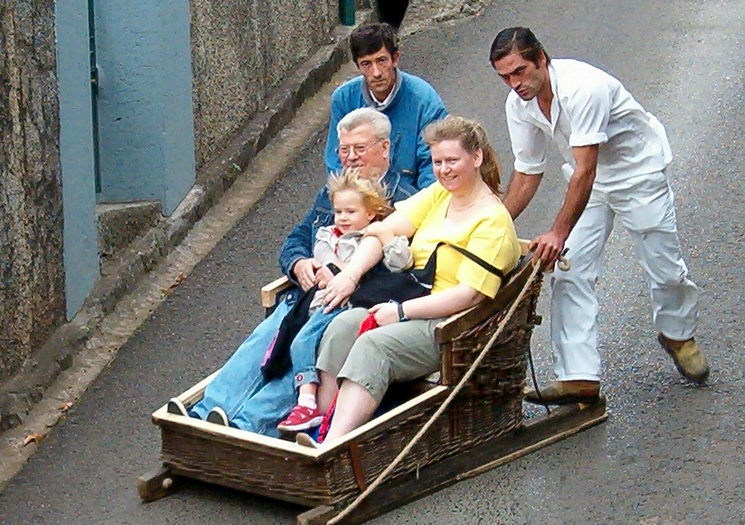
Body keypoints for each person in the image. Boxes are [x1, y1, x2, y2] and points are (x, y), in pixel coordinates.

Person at [489, 27, 708, 405]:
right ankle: (578, 376)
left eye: (520, 71)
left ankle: (677, 332)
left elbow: (586, 168)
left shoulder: (582, 89)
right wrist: (492, 224)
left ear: (541, 58)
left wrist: (557, 231)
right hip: (586, 181)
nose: (515, 84)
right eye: (505, 77)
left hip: (637, 172)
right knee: (569, 268)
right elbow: (527, 171)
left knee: (664, 267)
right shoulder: (518, 104)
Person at [166, 108, 417, 435]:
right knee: (260, 343)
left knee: (301, 356)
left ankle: (246, 426)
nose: (351, 158)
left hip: (347, 308)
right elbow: (296, 239)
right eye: (344, 149)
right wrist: (300, 263)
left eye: (360, 148)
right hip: (304, 296)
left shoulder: (406, 202)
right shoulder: (334, 192)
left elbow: (403, 272)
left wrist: (342, 274)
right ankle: (204, 414)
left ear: (384, 148)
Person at [296, 116, 521, 446]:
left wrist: (400, 312)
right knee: (343, 325)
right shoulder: (439, 195)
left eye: (452, 161)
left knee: (374, 345)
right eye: (437, 161)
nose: (444, 170)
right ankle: (320, 424)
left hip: (449, 323)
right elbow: (381, 229)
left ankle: (334, 445)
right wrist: (350, 275)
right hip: (411, 297)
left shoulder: (492, 220)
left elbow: (469, 295)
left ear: (477, 158)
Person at [273, 169, 412, 433]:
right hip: (316, 303)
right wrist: (309, 267)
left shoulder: (373, 237)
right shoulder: (327, 235)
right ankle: (292, 405)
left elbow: (401, 263)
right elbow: (309, 259)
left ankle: (307, 404)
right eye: (338, 212)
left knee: (303, 341)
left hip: (348, 304)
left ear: (370, 213)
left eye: (351, 212)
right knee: (288, 339)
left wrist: (383, 235)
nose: (343, 218)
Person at [324, 22, 448, 192]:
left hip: (411, 200)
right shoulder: (344, 99)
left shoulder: (426, 101)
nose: (376, 72)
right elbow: (336, 163)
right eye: (366, 64)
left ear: (395, 58)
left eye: (381, 61)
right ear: (358, 66)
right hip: (360, 199)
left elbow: (434, 167)